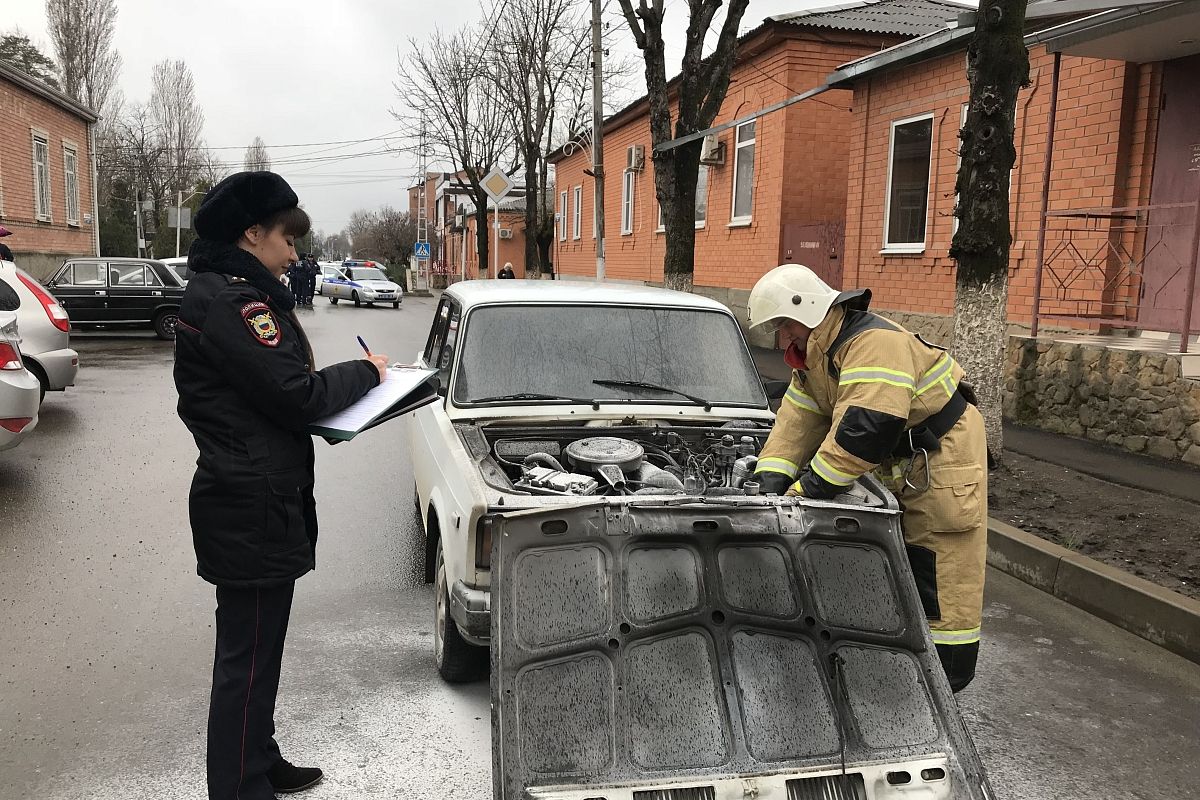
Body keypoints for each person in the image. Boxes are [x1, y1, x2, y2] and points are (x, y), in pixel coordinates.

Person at [173, 171, 390, 800]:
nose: (293, 253)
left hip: (255, 497)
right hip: (250, 504)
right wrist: (368, 373)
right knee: (245, 659)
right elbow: (296, 394)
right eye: (284, 238)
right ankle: (239, 785)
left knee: (260, 650)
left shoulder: (230, 294)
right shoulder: (234, 304)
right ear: (250, 233)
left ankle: (258, 760)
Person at [747, 264, 988, 693]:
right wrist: (769, 481)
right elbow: (797, 423)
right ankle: (895, 670)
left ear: (810, 310)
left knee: (934, 564)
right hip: (906, 460)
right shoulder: (819, 355)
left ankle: (944, 678)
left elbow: (865, 430)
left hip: (942, 459)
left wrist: (807, 490)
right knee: (890, 560)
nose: (783, 339)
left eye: (784, 325)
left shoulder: (873, 344)